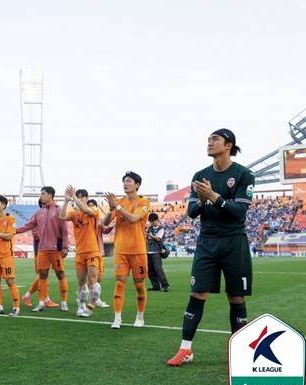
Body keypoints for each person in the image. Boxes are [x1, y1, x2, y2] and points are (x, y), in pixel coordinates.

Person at [168, 128, 255, 367]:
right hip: (207, 241)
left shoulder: (244, 174)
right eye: (208, 140)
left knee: (236, 296)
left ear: (228, 145)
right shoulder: (200, 175)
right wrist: (202, 199)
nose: (209, 143)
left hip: (234, 240)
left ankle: (240, 352)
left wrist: (214, 197)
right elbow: (191, 212)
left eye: (215, 139)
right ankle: (185, 349)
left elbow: (239, 212)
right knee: (197, 293)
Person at [103, 171, 150, 329]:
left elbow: (133, 219)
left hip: (137, 250)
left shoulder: (143, 202)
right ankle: (117, 318)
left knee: (139, 285)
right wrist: (110, 209)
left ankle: (140, 316)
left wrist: (117, 206)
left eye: (129, 181)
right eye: (124, 181)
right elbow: (105, 223)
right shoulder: (119, 201)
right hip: (121, 250)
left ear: (137, 185)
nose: (125, 183)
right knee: (119, 283)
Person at [16, 186, 70, 312]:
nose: (41, 196)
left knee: (60, 274)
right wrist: (13, 231)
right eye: (41, 194)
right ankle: (41, 303)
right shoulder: (38, 212)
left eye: (43, 194)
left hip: (56, 249)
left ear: (50, 195)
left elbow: (65, 230)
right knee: (42, 275)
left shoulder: (59, 209)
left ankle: (64, 302)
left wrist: (65, 247)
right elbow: (28, 225)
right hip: (42, 249)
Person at [60, 186, 101, 317]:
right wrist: (66, 200)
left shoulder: (93, 210)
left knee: (92, 281)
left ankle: (91, 305)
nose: (79, 199)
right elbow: (62, 216)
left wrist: (74, 197)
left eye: (82, 197)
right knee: (81, 282)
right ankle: (81, 306)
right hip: (80, 252)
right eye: (78, 197)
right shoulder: (74, 214)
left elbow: (85, 209)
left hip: (92, 251)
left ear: (87, 198)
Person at [86, 199, 110, 310]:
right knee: (93, 277)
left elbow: (105, 230)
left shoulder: (99, 220)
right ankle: (95, 299)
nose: (91, 207)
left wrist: (112, 225)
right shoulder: (85, 221)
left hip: (100, 251)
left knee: (99, 277)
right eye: (89, 205)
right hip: (90, 252)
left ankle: (89, 295)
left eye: (93, 205)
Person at [146, 213, 170, 292]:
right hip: (148, 251)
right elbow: (146, 238)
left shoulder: (161, 229)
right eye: (150, 221)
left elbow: (158, 239)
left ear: (157, 220)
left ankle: (165, 285)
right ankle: (155, 286)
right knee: (150, 270)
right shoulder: (149, 228)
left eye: (153, 221)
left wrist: (150, 235)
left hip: (156, 252)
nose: (151, 223)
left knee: (158, 269)